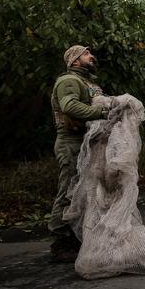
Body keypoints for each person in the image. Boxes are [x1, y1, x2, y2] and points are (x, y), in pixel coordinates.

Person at [49, 45, 109, 263]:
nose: (91, 56)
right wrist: (101, 112)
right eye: (85, 54)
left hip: (86, 143)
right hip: (71, 143)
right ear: (74, 61)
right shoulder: (68, 81)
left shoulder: (89, 83)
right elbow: (69, 106)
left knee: (84, 193)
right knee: (68, 191)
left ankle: (76, 239)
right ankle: (60, 242)